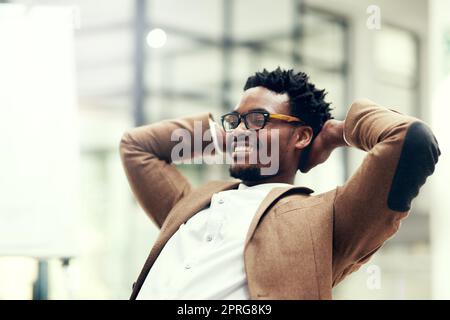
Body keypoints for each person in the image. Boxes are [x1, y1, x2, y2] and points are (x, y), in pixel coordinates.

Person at [120, 68, 440, 300]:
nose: (241, 131)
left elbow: (411, 140)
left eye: (258, 119)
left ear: (301, 135)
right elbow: (136, 147)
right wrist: (225, 135)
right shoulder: (191, 203)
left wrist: (335, 133)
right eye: (235, 120)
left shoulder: (328, 219)